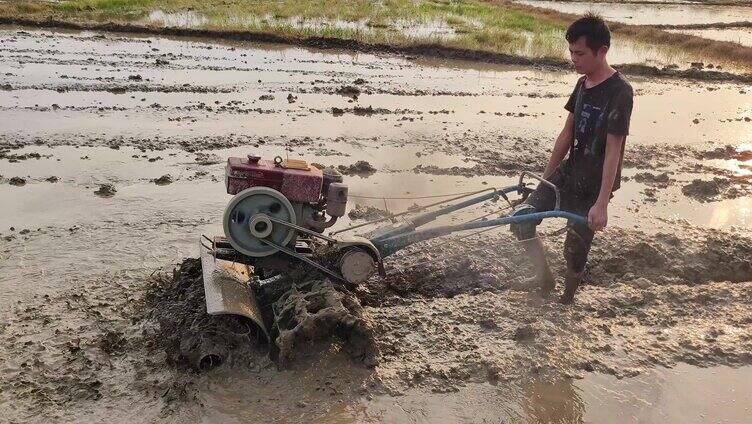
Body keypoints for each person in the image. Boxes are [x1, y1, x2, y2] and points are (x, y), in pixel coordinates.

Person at [512, 13, 634, 304]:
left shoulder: (620, 92)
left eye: (579, 53)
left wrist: (602, 202)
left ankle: (567, 299)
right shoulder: (582, 84)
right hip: (569, 171)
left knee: (575, 248)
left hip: (592, 183)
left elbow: (614, 151)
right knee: (522, 218)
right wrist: (544, 179)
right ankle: (544, 279)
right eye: (571, 52)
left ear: (601, 51)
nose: (573, 59)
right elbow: (566, 135)